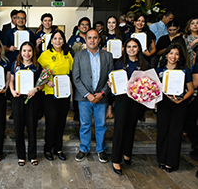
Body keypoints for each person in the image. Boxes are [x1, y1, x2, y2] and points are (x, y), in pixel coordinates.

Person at [72, 29, 114, 163]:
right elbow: (76, 78)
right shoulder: (78, 56)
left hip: (101, 97)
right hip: (84, 97)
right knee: (85, 124)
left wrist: (102, 94)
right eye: (89, 37)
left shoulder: (107, 56)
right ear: (85, 39)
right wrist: (87, 94)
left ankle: (101, 150)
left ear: (99, 40)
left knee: (101, 124)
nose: (92, 40)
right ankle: (84, 149)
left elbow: (111, 78)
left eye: (95, 38)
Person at [111, 38, 150, 175]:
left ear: (138, 48)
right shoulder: (119, 63)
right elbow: (113, 80)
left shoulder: (145, 63)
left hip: (136, 100)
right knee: (119, 128)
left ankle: (127, 152)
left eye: (134, 46)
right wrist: (112, 84)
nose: (131, 49)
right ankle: (116, 160)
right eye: (129, 46)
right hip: (122, 100)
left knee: (131, 127)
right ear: (124, 48)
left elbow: (149, 83)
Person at [156, 44, 194, 172]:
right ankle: (161, 159)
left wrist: (182, 100)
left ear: (179, 57)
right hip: (163, 104)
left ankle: (171, 163)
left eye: (176, 54)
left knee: (175, 133)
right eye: (171, 53)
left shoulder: (184, 71)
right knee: (162, 131)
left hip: (179, 104)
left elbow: (191, 90)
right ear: (166, 55)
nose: (173, 56)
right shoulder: (158, 71)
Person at [38, 30, 73, 161]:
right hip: (49, 94)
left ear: (63, 40)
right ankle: (48, 148)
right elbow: (39, 73)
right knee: (51, 122)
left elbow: (72, 71)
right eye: (55, 38)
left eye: (60, 38)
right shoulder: (45, 55)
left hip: (64, 94)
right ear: (51, 40)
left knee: (61, 122)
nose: (58, 41)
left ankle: (58, 148)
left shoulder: (67, 55)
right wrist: (47, 81)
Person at [9, 41, 43, 166]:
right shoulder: (15, 64)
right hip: (18, 99)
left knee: (32, 127)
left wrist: (36, 89)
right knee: (18, 128)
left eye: (29, 50)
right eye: (24, 50)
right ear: (20, 52)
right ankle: (21, 156)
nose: (27, 53)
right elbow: (11, 80)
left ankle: (32, 155)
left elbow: (42, 83)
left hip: (32, 100)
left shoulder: (37, 66)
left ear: (33, 52)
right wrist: (12, 91)